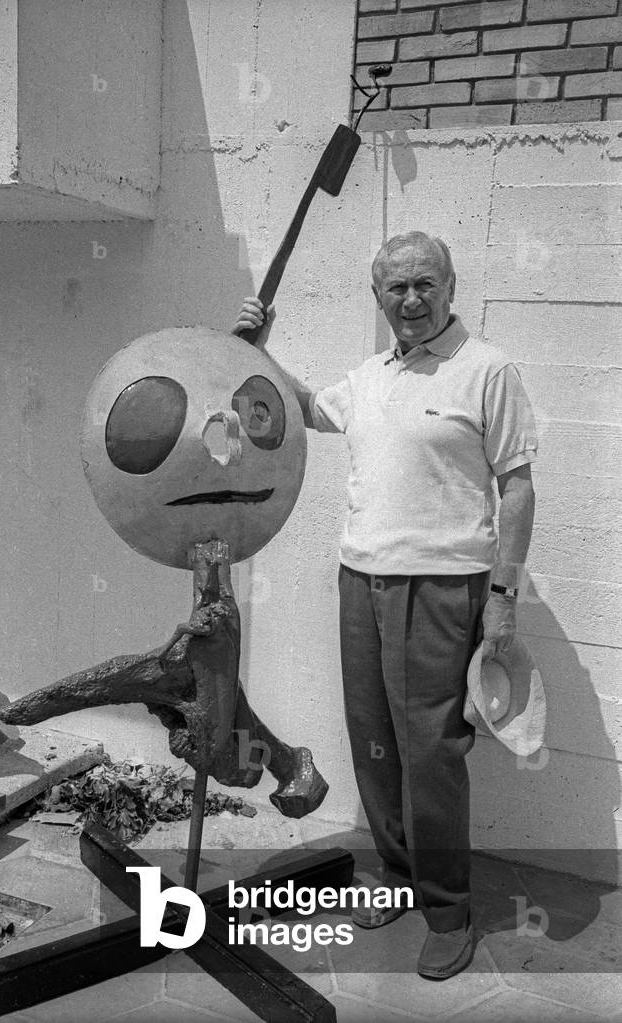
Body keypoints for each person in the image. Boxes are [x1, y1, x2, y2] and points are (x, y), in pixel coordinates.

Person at [231, 231, 537, 980]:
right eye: (394, 287)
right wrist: (256, 352)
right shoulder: (371, 374)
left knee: (431, 754)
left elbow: (519, 486)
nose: (409, 299)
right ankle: (399, 875)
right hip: (359, 580)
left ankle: (447, 909)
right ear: (377, 298)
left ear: (450, 285)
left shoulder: (486, 369)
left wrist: (501, 599)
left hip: (441, 586)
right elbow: (304, 408)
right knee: (373, 740)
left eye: (423, 283)